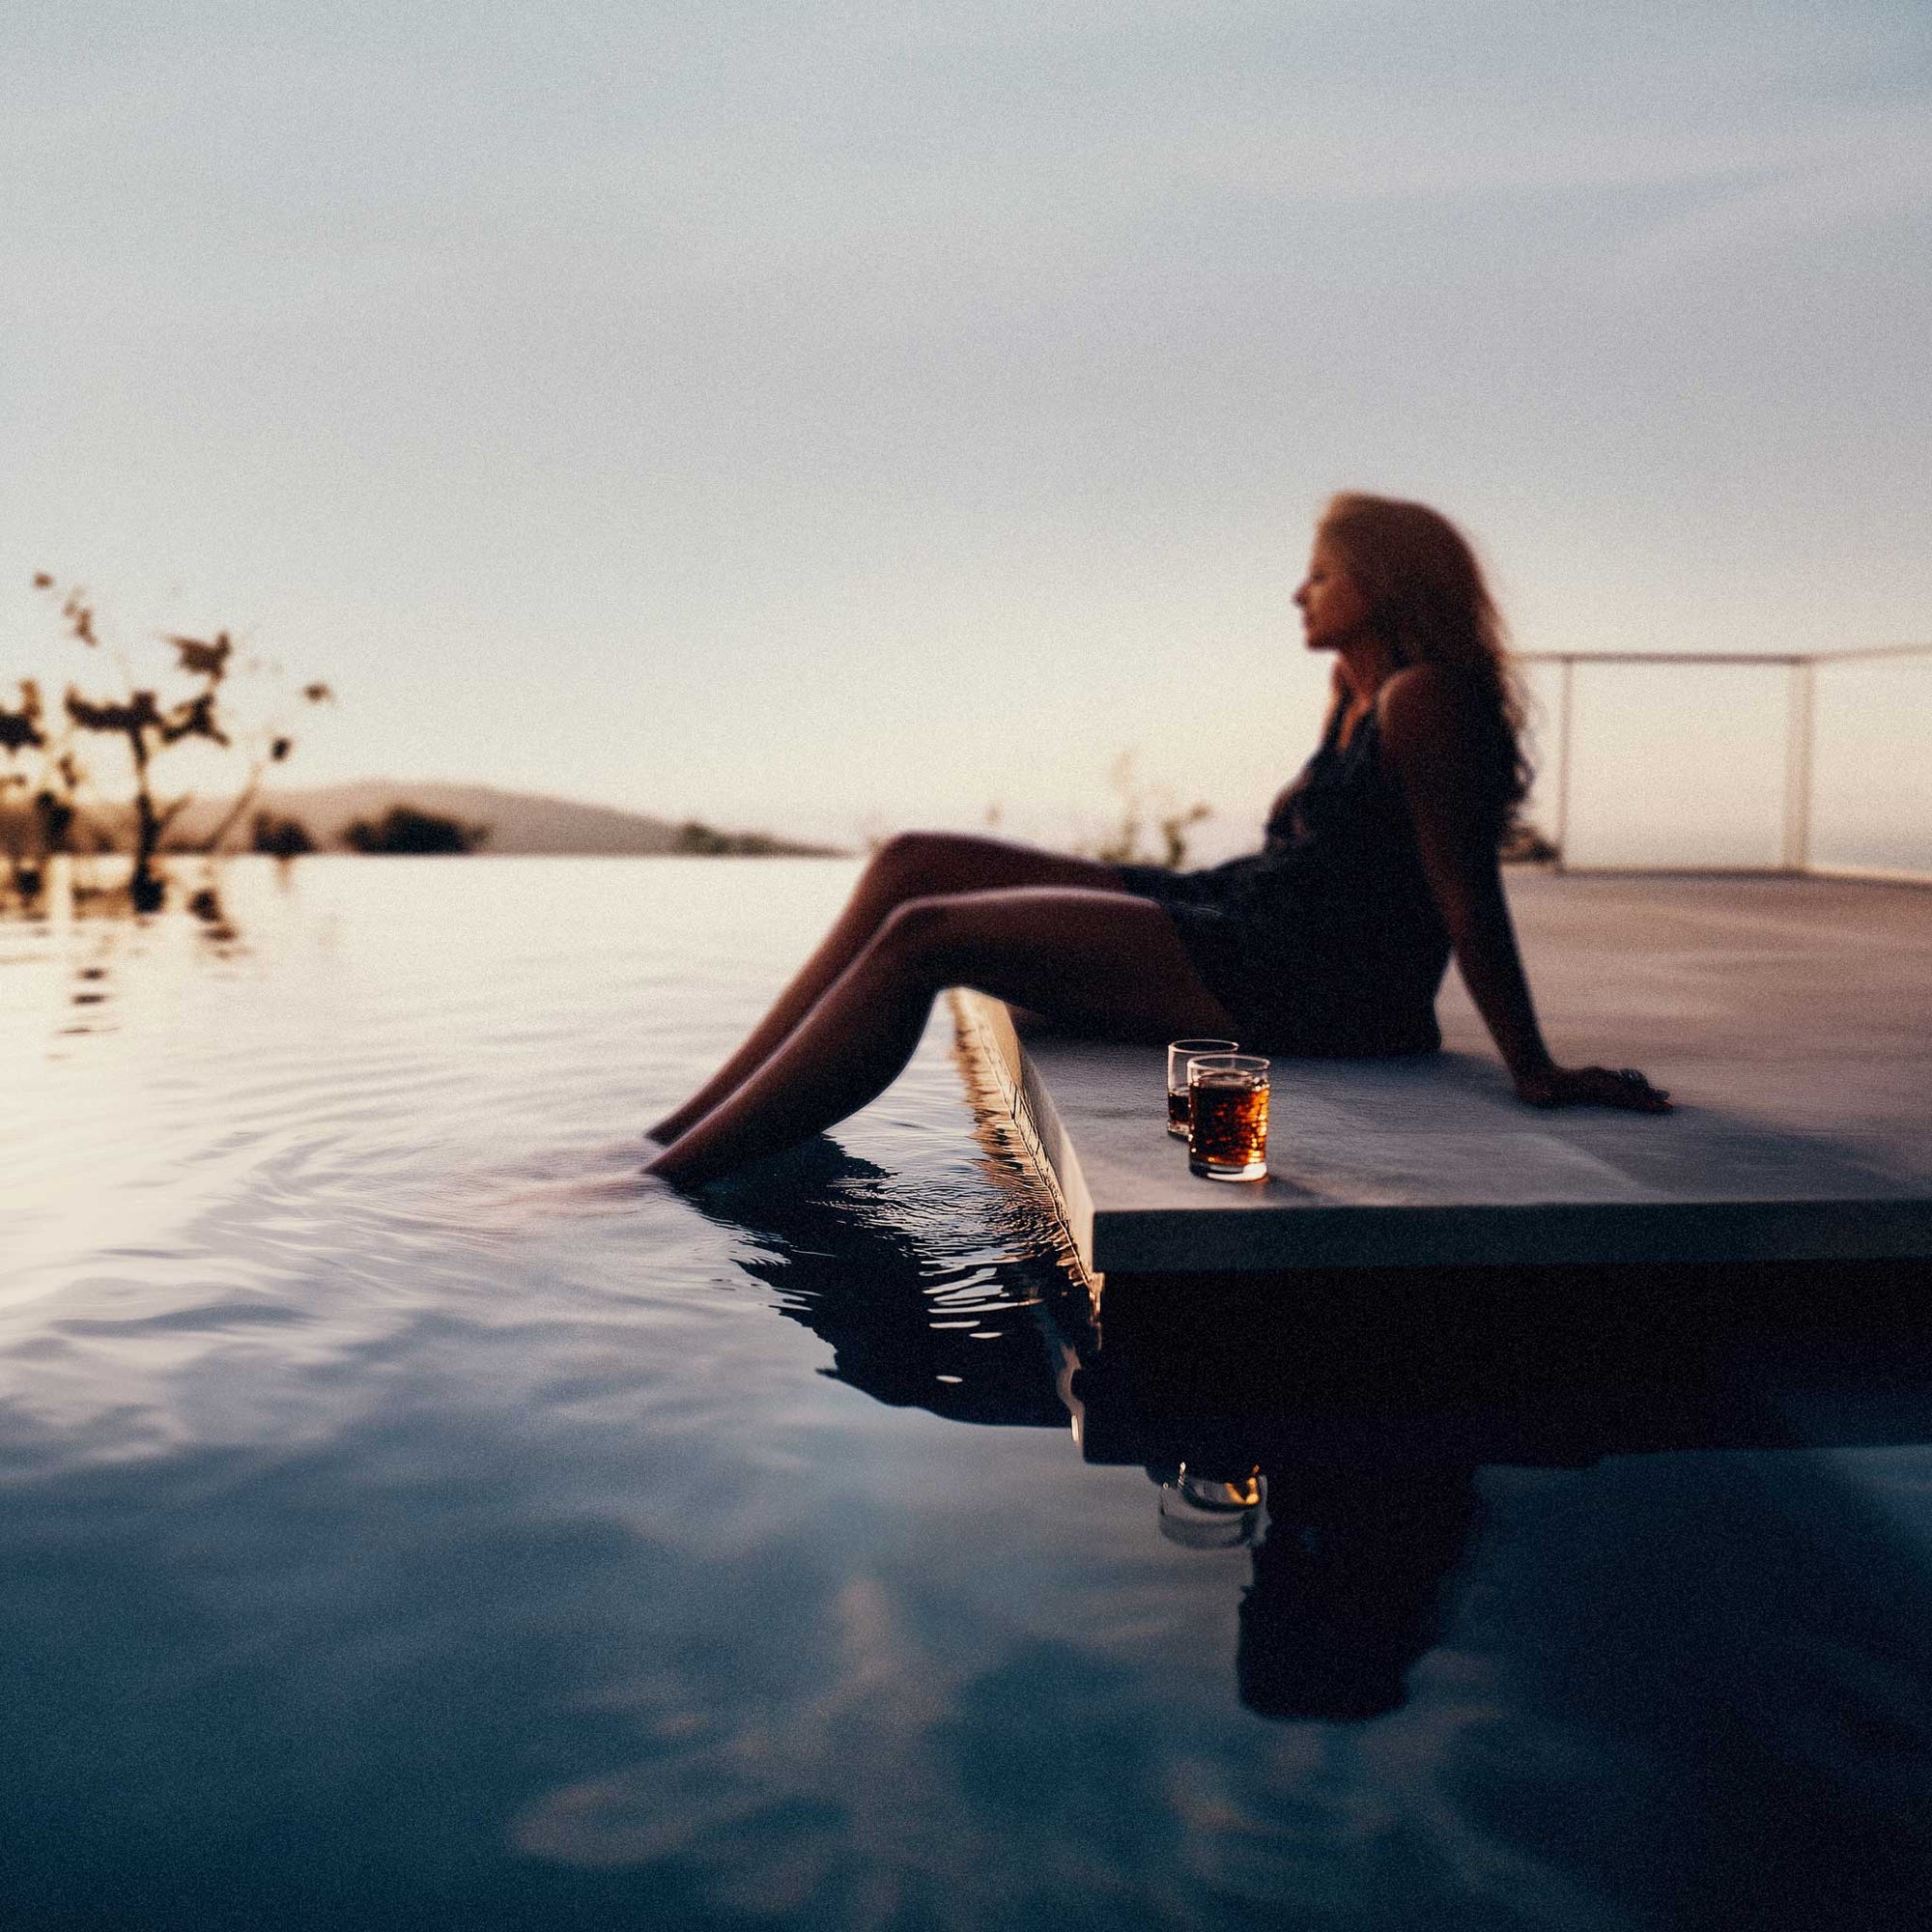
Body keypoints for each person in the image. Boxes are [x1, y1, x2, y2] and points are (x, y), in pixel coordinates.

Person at [647, 493, 1668, 1185]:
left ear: (1381, 582)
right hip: (1243, 910)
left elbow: (1461, 891)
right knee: (913, 857)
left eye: (1318, 574)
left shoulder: (1423, 698)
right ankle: (679, 1123)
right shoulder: (1351, 690)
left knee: (927, 931)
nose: (1297, 593)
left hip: (1313, 974)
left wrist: (1529, 1064)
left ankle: (669, 1177)